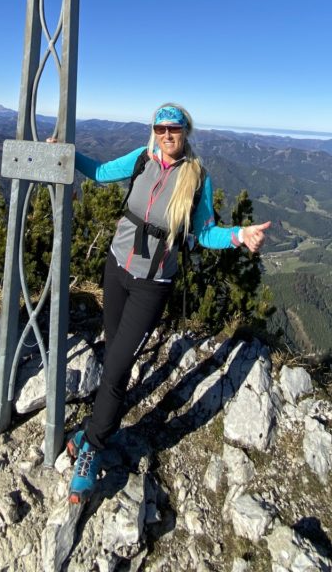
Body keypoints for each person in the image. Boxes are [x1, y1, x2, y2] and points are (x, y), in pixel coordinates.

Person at [58, 102, 269, 504]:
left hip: (153, 284)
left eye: (174, 129)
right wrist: (65, 154)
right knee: (112, 352)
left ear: (186, 132)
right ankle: (94, 428)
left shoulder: (197, 177)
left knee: (119, 363)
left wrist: (240, 235)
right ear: (153, 131)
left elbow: (204, 233)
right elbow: (101, 173)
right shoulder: (141, 159)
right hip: (116, 269)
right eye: (160, 128)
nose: (166, 135)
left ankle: (91, 447)